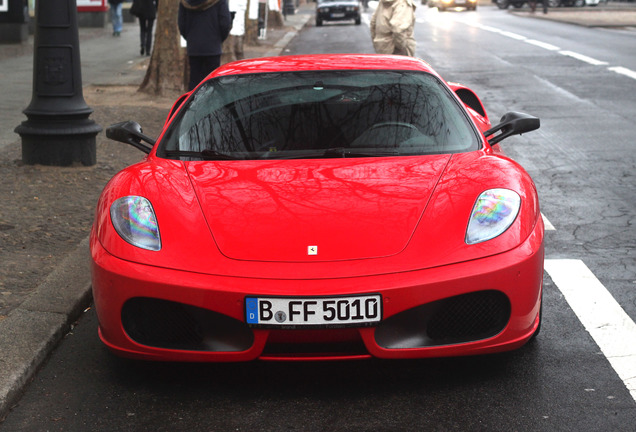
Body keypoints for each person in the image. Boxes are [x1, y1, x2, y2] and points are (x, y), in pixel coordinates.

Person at [179, 0, 233, 91]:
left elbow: (182, 24)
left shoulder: (185, 2)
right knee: (212, 83)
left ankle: (193, 104)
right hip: (213, 47)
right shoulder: (220, 2)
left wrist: (190, 38)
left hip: (194, 47)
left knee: (194, 82)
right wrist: (218, 40)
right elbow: (225, 23)